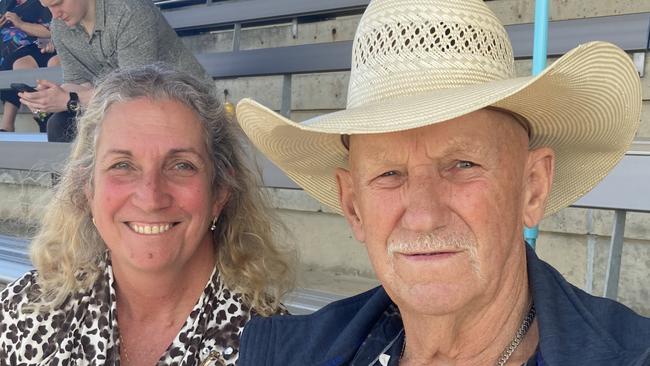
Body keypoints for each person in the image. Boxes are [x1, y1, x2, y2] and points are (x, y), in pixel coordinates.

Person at [234, 0, 650, 365]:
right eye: (389, 174)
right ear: (353, 207)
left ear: (532, 186)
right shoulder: (289, 352)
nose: (423, 216)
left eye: (463, 164)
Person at [0, 65, 294, 365]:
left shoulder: (280, 349)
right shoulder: (26, 307)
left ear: (219, 192)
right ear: (88, 189)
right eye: (122, 165)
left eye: (181, 165)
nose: (151, 198)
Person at [16, 0, 211, 142]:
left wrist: (71, 99)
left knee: (125, 125)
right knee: (60, 124)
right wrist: (51, 96)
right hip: (121, 101)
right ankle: (71, 197)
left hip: (183, 101)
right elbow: (77, 81)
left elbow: (136, 93)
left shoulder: (129, 10)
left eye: (58, 3)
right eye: (48, 6)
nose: (55, 14)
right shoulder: (60, 28)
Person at [0, 0, 59, 132]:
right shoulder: (6, 3)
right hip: (9, 55)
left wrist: (20, 24)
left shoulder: (40, 3)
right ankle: (10, 124)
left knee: (20, 67)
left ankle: (9, 124)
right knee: (12, 65)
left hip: (35, 48)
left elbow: (52, 30)